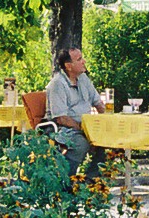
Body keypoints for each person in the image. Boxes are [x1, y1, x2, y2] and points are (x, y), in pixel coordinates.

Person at [45, 46, 107, 176]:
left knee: (109, 139)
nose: (83, 61)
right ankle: (64, 179)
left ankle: (91, 180)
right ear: (68, 66)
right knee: (81, 143)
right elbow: (61, 118)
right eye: (79, 59)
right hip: (62, 128)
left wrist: (106, 121)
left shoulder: (83, 78)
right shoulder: (58, 84)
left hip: (85, 126)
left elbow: (98, 102)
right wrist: (83, 128)